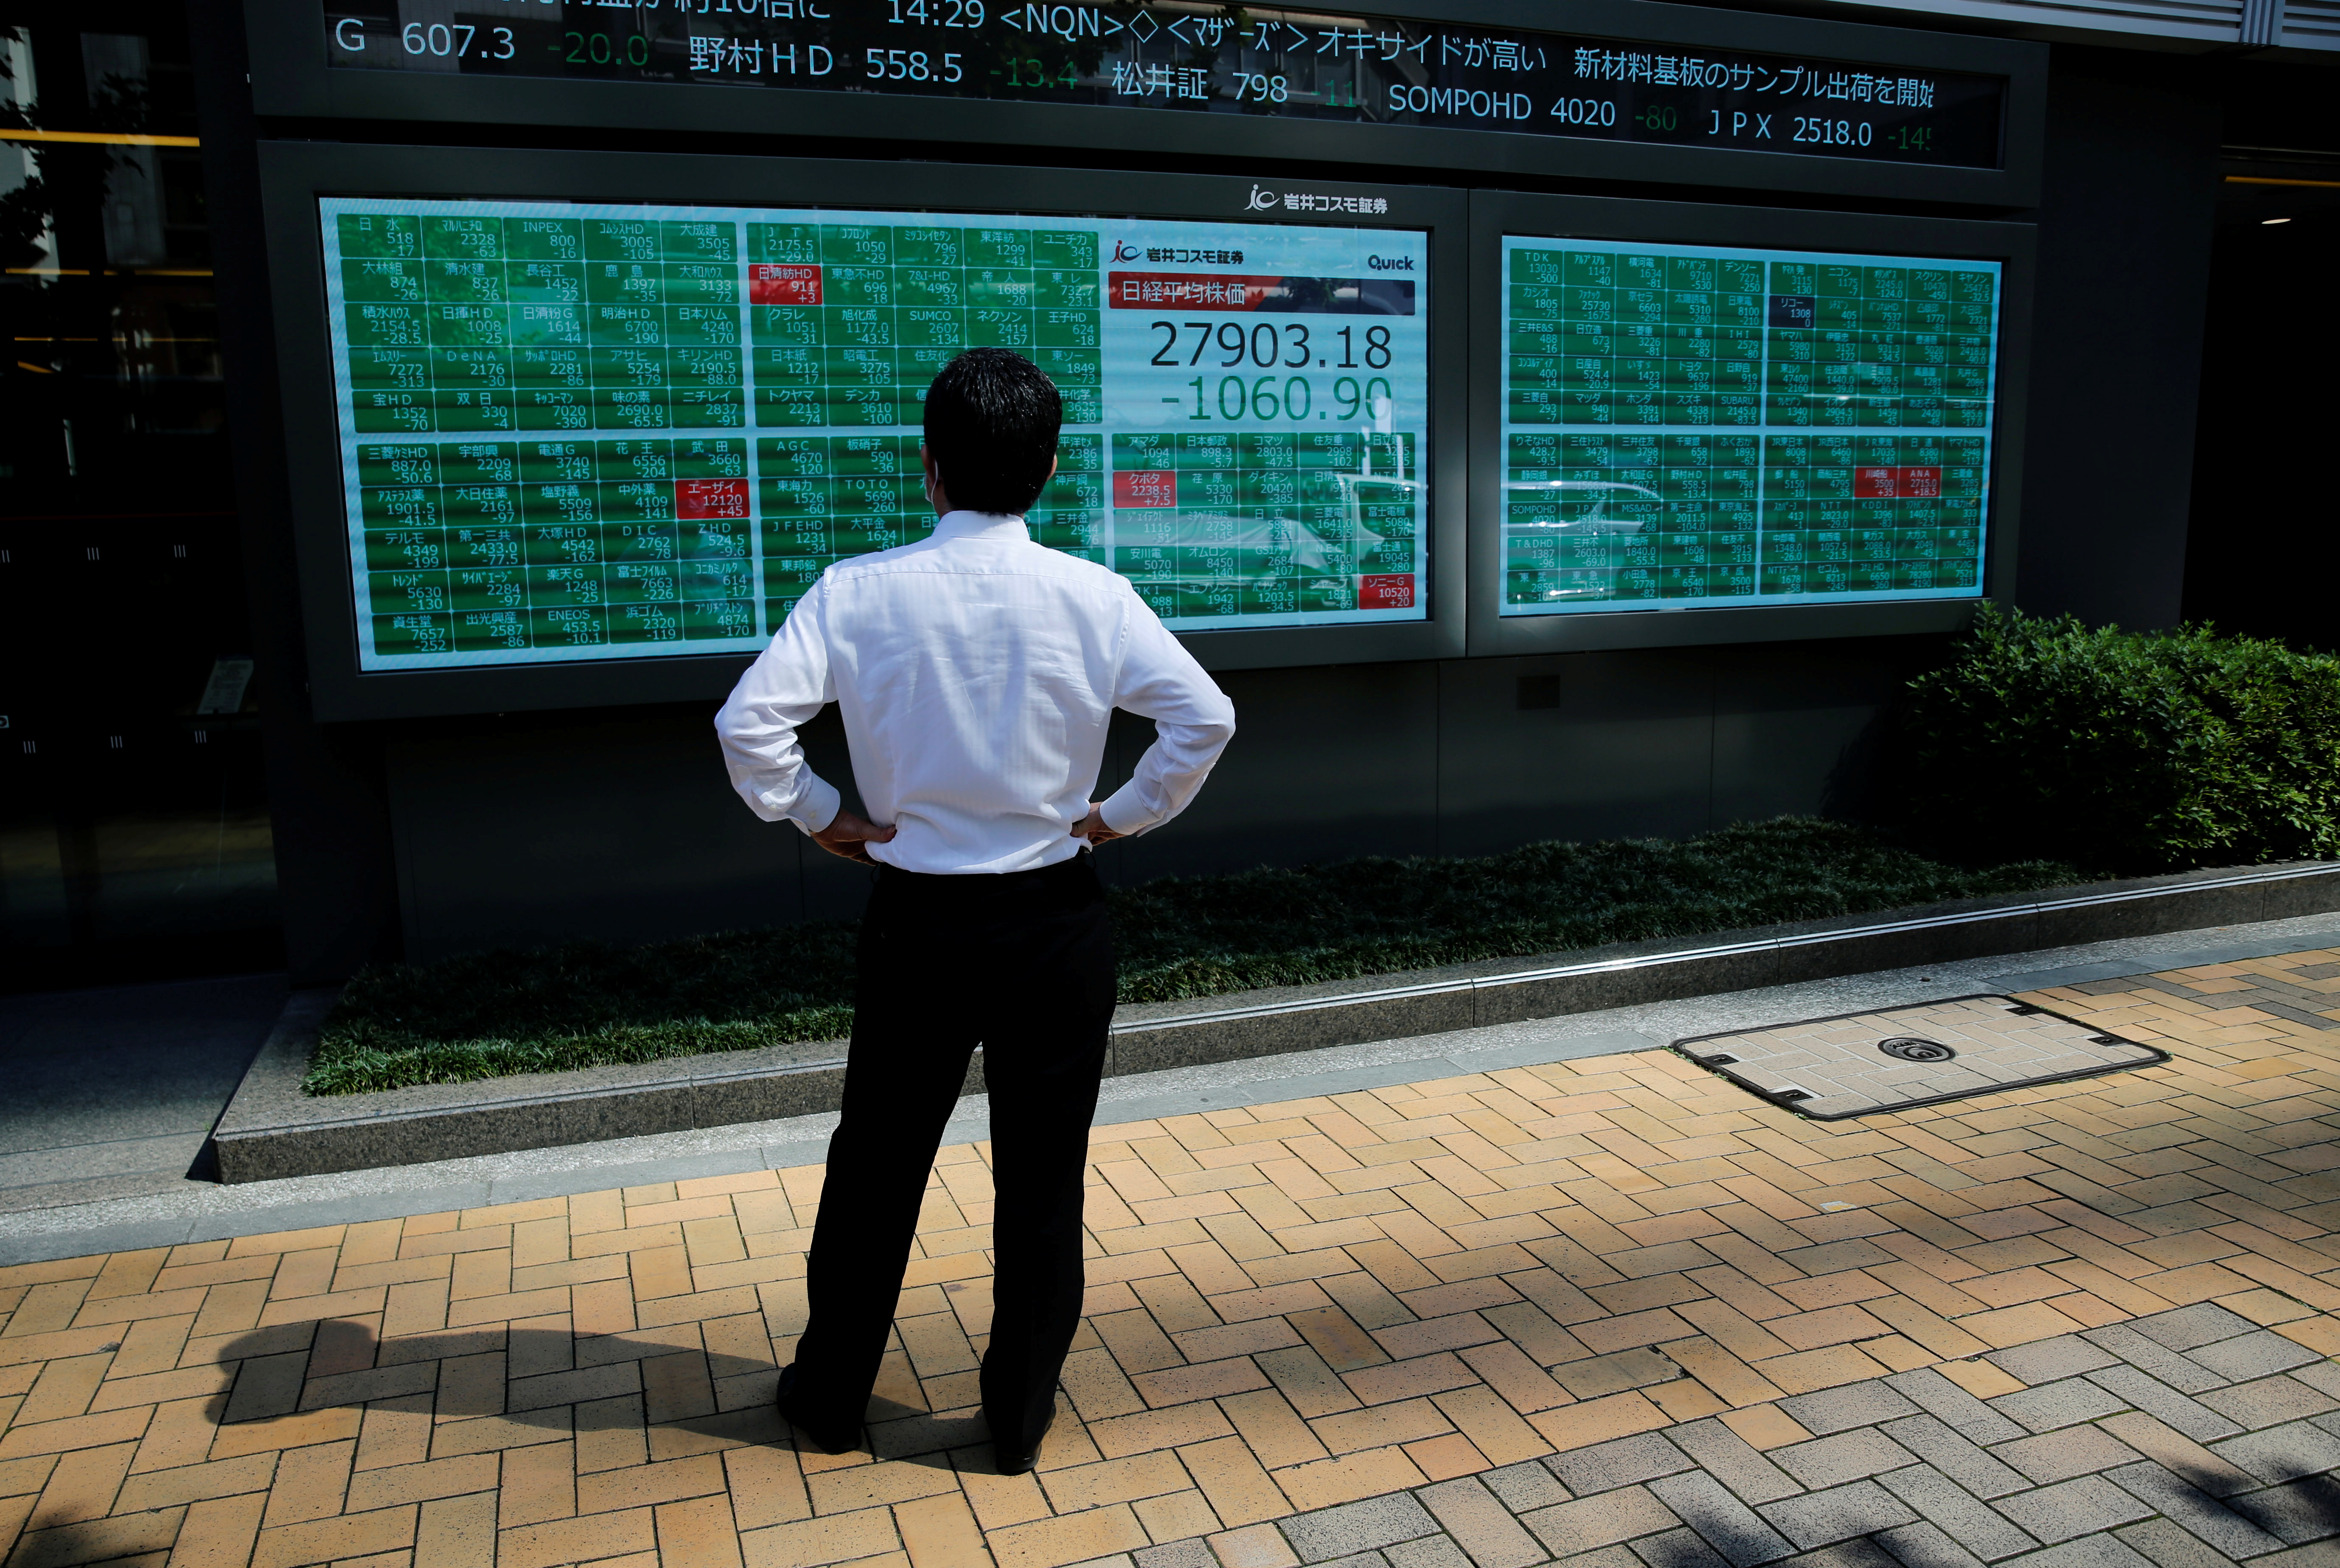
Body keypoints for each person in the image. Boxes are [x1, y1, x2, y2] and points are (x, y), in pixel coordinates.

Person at [713, 347, 1236, 1474]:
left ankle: (830, 1398)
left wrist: (814, 810)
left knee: (877, 1168)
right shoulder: (1095, 597)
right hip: (1056, 917)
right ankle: (1016, 1417)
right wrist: (1121, 815)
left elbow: (745, 725)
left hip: (918, 923)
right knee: (1041, 1174)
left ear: (929, 467)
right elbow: (1205, 719)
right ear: (1049, 465)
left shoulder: (857, 591)